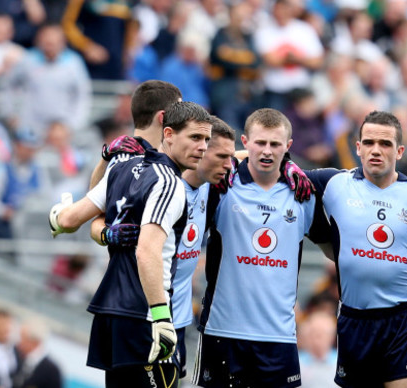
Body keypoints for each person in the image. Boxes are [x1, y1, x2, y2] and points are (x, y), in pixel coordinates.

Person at [49, 101, 213, 387]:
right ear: (169, 134)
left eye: (206, 140)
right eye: (195, 137)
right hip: (144, 314)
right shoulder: (169, 184)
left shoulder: (124, 166)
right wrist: (162, 318)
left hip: (110, 312)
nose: (203, 147)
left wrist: (61, 212)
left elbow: (67, 219)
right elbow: (147, 252)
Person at [302, 110, 407, 388]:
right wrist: (235, 155)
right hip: (354, 319)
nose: (376, 150)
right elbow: (281, 169)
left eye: (385, 144)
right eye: (368, 143)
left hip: (403, 321)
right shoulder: (334, 183)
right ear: (357, 147)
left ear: (400, 151)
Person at [94, 116, 238, 378]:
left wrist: (285, 164)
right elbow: (95, 210)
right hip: (146, 314)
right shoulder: (161, 183)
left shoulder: (210, 182)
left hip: (178, 319)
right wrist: (106, 234)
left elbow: (255, 153)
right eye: (220, 156)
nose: (230, 165)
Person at [191, 108, 316, 388]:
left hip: (278, 337)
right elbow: (190, 167)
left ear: (289, 146)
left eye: (275, 144)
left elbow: (336, 246)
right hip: (222, 331)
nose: (267, 151)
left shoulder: (304, 191)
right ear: (245, 143)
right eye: (260, 143)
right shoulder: (221, 185)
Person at [87, 79, 182, 190]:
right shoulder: (126, 159)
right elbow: (96, 199)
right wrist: (106, 158)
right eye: (178, 112)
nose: (182, 119)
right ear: (163, 117)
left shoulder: (170, 158)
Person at [12, 318, 63, 388]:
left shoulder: (51, 371)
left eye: (22, 338)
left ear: (34, 341)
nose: (18, 341)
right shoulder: (15, 356)